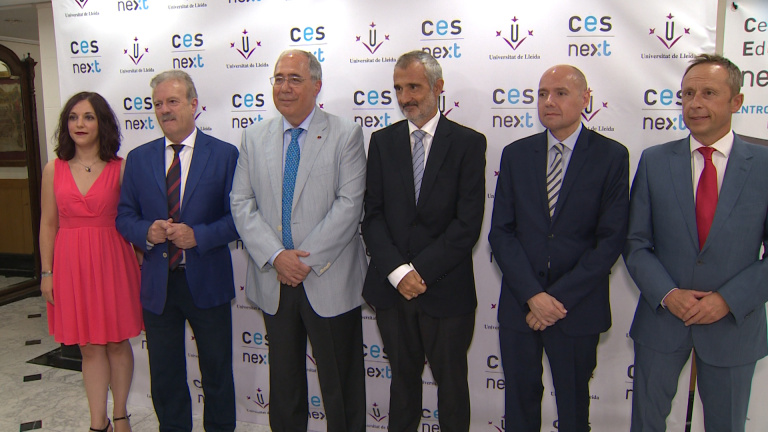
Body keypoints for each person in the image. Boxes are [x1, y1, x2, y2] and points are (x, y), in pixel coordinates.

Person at [624, 54, 768, 432]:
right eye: (688, 93)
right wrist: (668, 293)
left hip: (733, 326)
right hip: (662, 322)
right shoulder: (655, 161)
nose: (695, 103)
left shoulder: (764, 165)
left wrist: (727, 300)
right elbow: (636, 242)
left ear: (736, 101)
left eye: (708, 93)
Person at [230, 49, 367, 432]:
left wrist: (302, 260)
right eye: (279, 78)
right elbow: (241, 201)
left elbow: (349, 204)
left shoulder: (346, 134)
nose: (284, 87)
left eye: (294, 79)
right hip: (275, 279)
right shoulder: (254, 137)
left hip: (328, 278)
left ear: (316, 85)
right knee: (285, 386)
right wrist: (277, 256)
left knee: (342, 388)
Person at [488, 65, 629, 432]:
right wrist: (533, 296)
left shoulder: (611, 156)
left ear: (585, 99)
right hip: (521, 306)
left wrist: (555, 301)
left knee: (573, 410)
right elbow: (501, 234)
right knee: (519, 409)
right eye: (542, 94)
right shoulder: (516, 154)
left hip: (577, 309)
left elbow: (610, 240)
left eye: (560, 93)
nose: (548, 101)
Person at [361, 50, 486, 432]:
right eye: (399, 88)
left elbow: (467, 224)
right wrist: (399, 273)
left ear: (438, 86)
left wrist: (421, 271)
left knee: (452, 389)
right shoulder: (382, 142)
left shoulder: (468, 143)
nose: (405, 97)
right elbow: (373, 216)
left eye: (413, 87)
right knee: (402, 386)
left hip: (446, 290)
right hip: (393, 291)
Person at [116, 70, 238, 432]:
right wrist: (147, 232)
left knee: (217, 371)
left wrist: (198, 236)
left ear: (193, 104)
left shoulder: (225, 155)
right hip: (159, 285)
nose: (164, 110)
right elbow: (124, 216)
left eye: (172, 101)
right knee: (166, 375)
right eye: (158, 104)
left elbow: (240, 219)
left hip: (208, 280)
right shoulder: (138, 159)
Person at [39, 92, 142, 432]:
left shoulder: (121, 168)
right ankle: (99, 421)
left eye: (88, 117)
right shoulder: (53, 169)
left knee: (116, 342)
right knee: (89, 346)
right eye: (72, 117)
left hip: (113, 262)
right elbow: (48, 224)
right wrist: (47, 272)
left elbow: (134, 220)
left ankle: (121, 415)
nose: (79, 124)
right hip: (71, 266)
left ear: (102, 123)